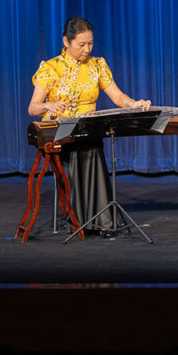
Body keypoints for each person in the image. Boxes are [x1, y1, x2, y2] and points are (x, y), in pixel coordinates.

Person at [28, 17, 151, 236]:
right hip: (60, 133)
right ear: (66, 41)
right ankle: (82, 220)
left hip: (87, 130)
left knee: (92, 145)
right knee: (81, 149)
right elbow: (33, 108)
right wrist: (50, 105)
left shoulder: (97, 65)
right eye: (81, 44)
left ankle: (100, 220)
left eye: (90, 43)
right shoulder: (51, 68)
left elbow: (117, 96)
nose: (87, 49)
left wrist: (133, 103)